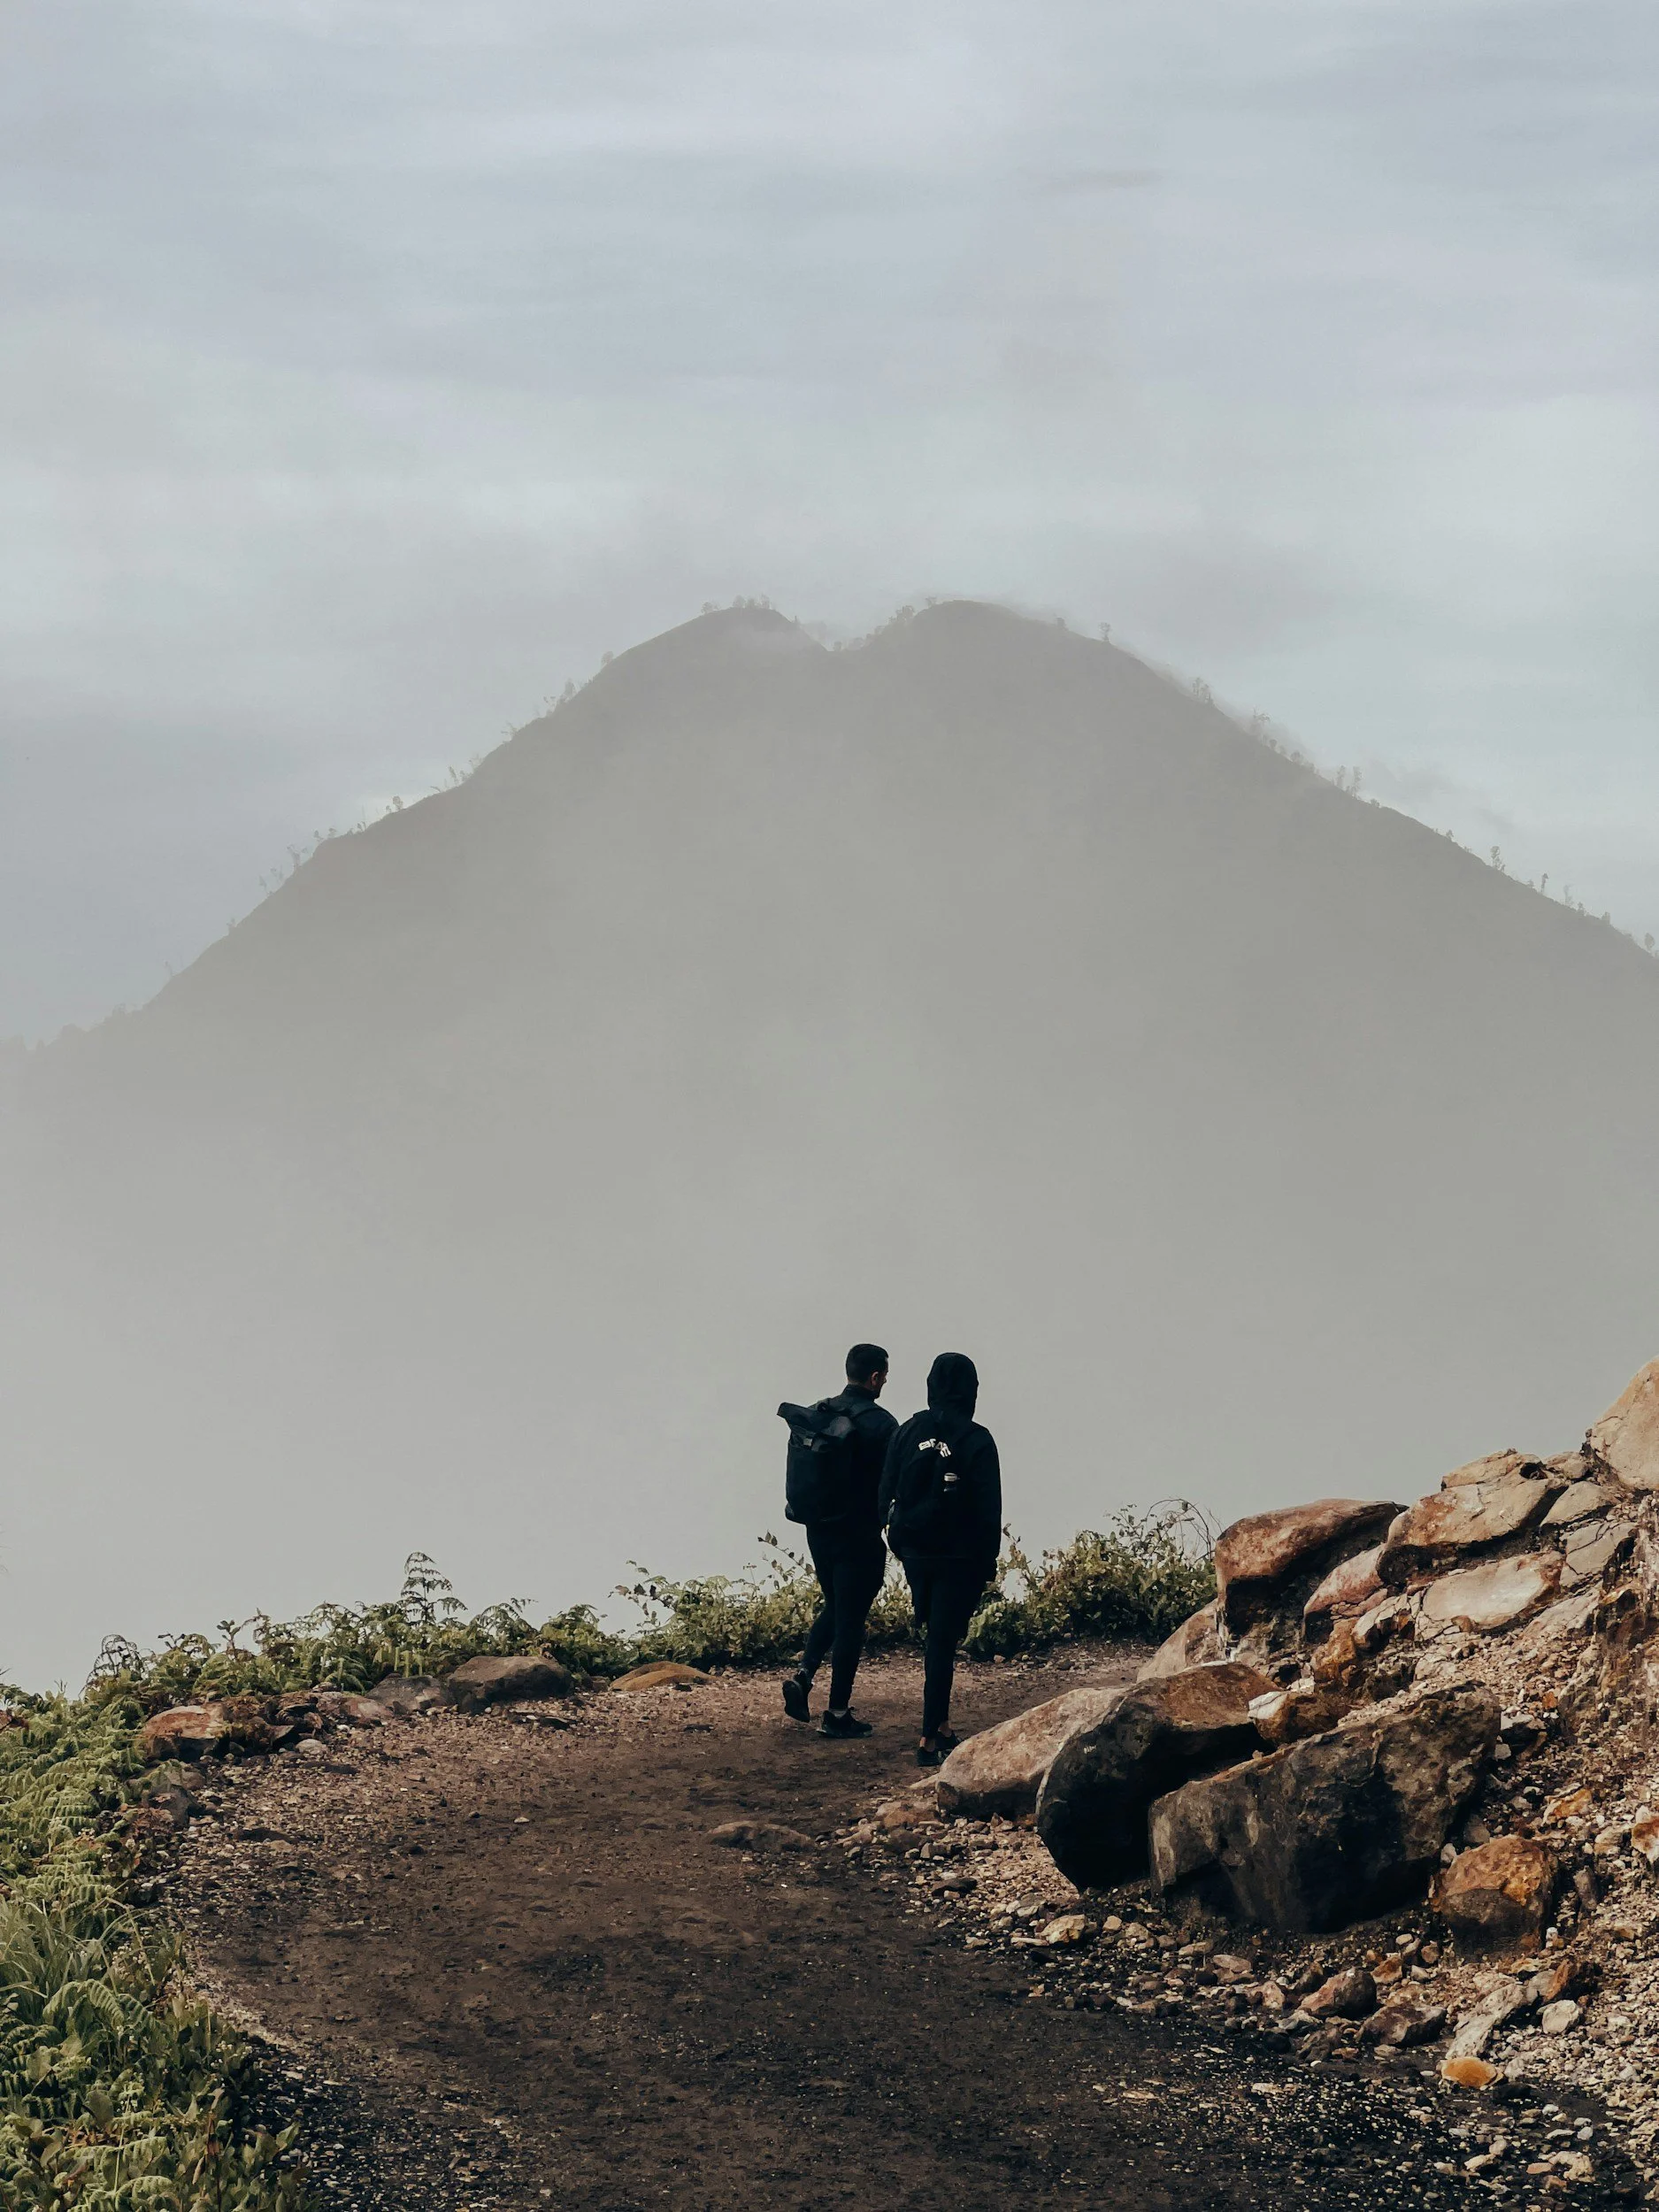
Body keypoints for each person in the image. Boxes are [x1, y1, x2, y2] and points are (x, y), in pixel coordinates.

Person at [879, 1352, 1002, 1767]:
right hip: (959, 1553)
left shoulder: (908, 1429)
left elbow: (886, 1489)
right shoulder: (978, 1438)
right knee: (942, 1642)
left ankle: (943, 1725)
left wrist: (894, 1537)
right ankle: (929, 1738)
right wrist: (988, 1562)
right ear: (972, 1390)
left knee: (937, 1633)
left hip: (916, 1549)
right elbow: (989, 1508)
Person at [780, 1343, 897, 1739]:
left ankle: (803, 1675)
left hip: (819, 1529)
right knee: (850, 1620)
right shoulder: (881, 1424)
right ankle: (837, 1713)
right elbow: (896, 1479)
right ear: (876, 1377)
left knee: (838, 1606)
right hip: (858, 1533)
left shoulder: (823, 1412)